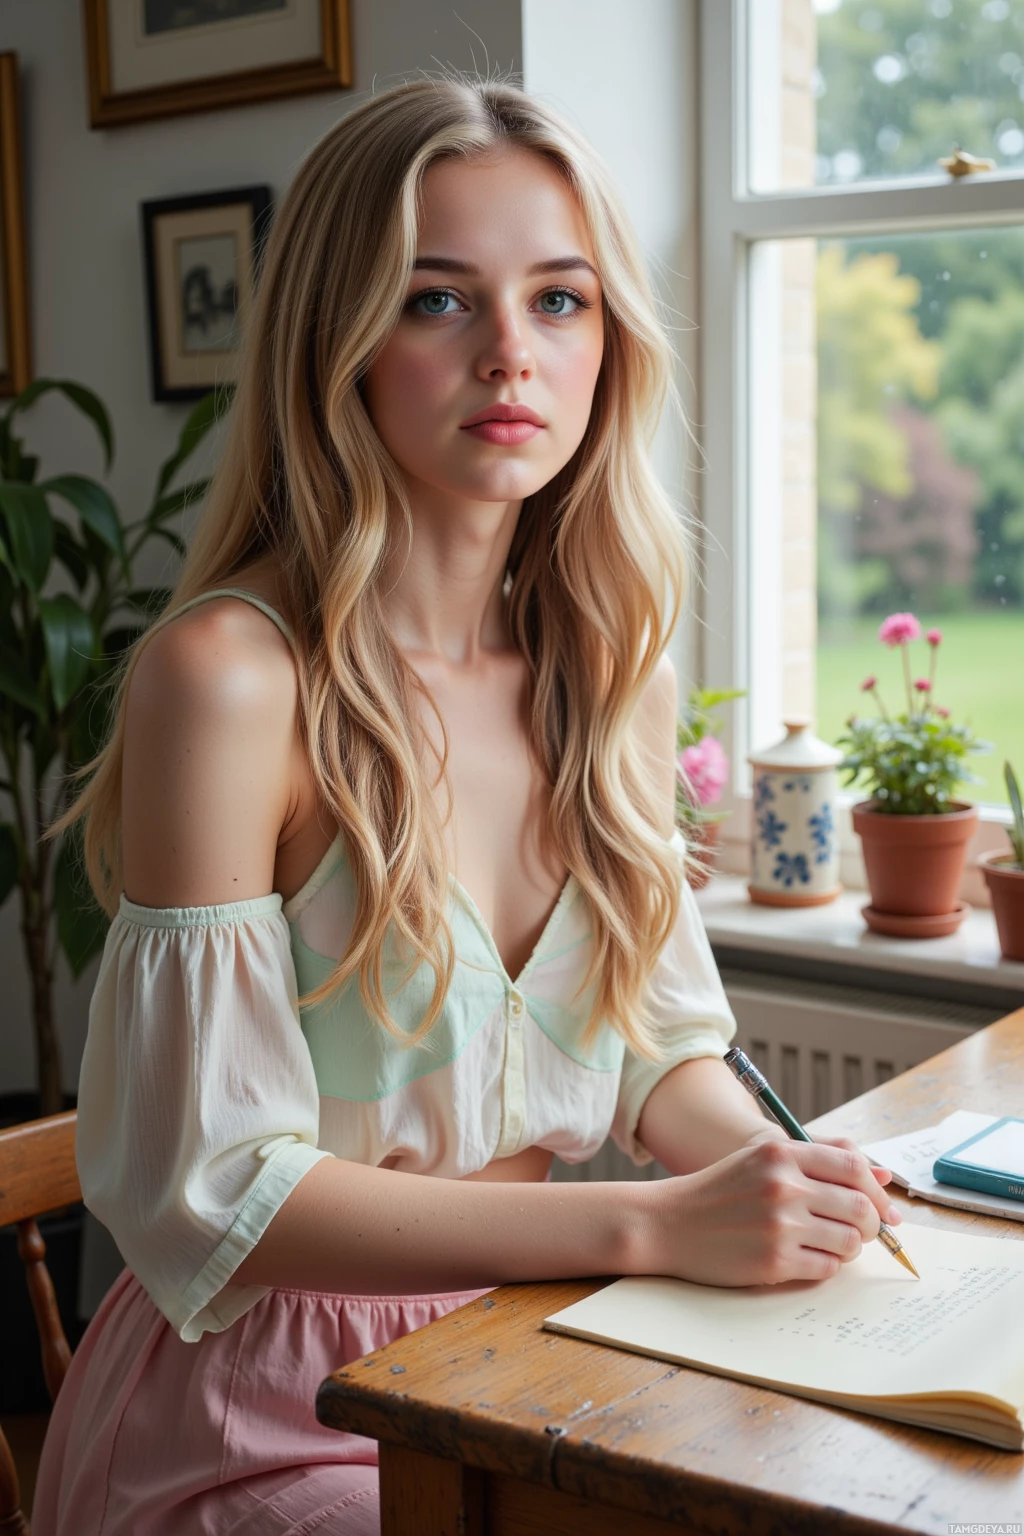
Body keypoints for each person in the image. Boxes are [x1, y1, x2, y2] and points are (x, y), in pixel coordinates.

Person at [33, 74, 900, 1535]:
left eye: (560, 300)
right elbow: (215, 1189)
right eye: (437, 300)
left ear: (609, 342)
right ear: (339, 341)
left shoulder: (608, 671)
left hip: (523, 1356)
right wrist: (651, 1224)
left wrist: (774, 1173)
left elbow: (654, 1048)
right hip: (262, 1419)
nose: (512, 352)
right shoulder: (232, 680)